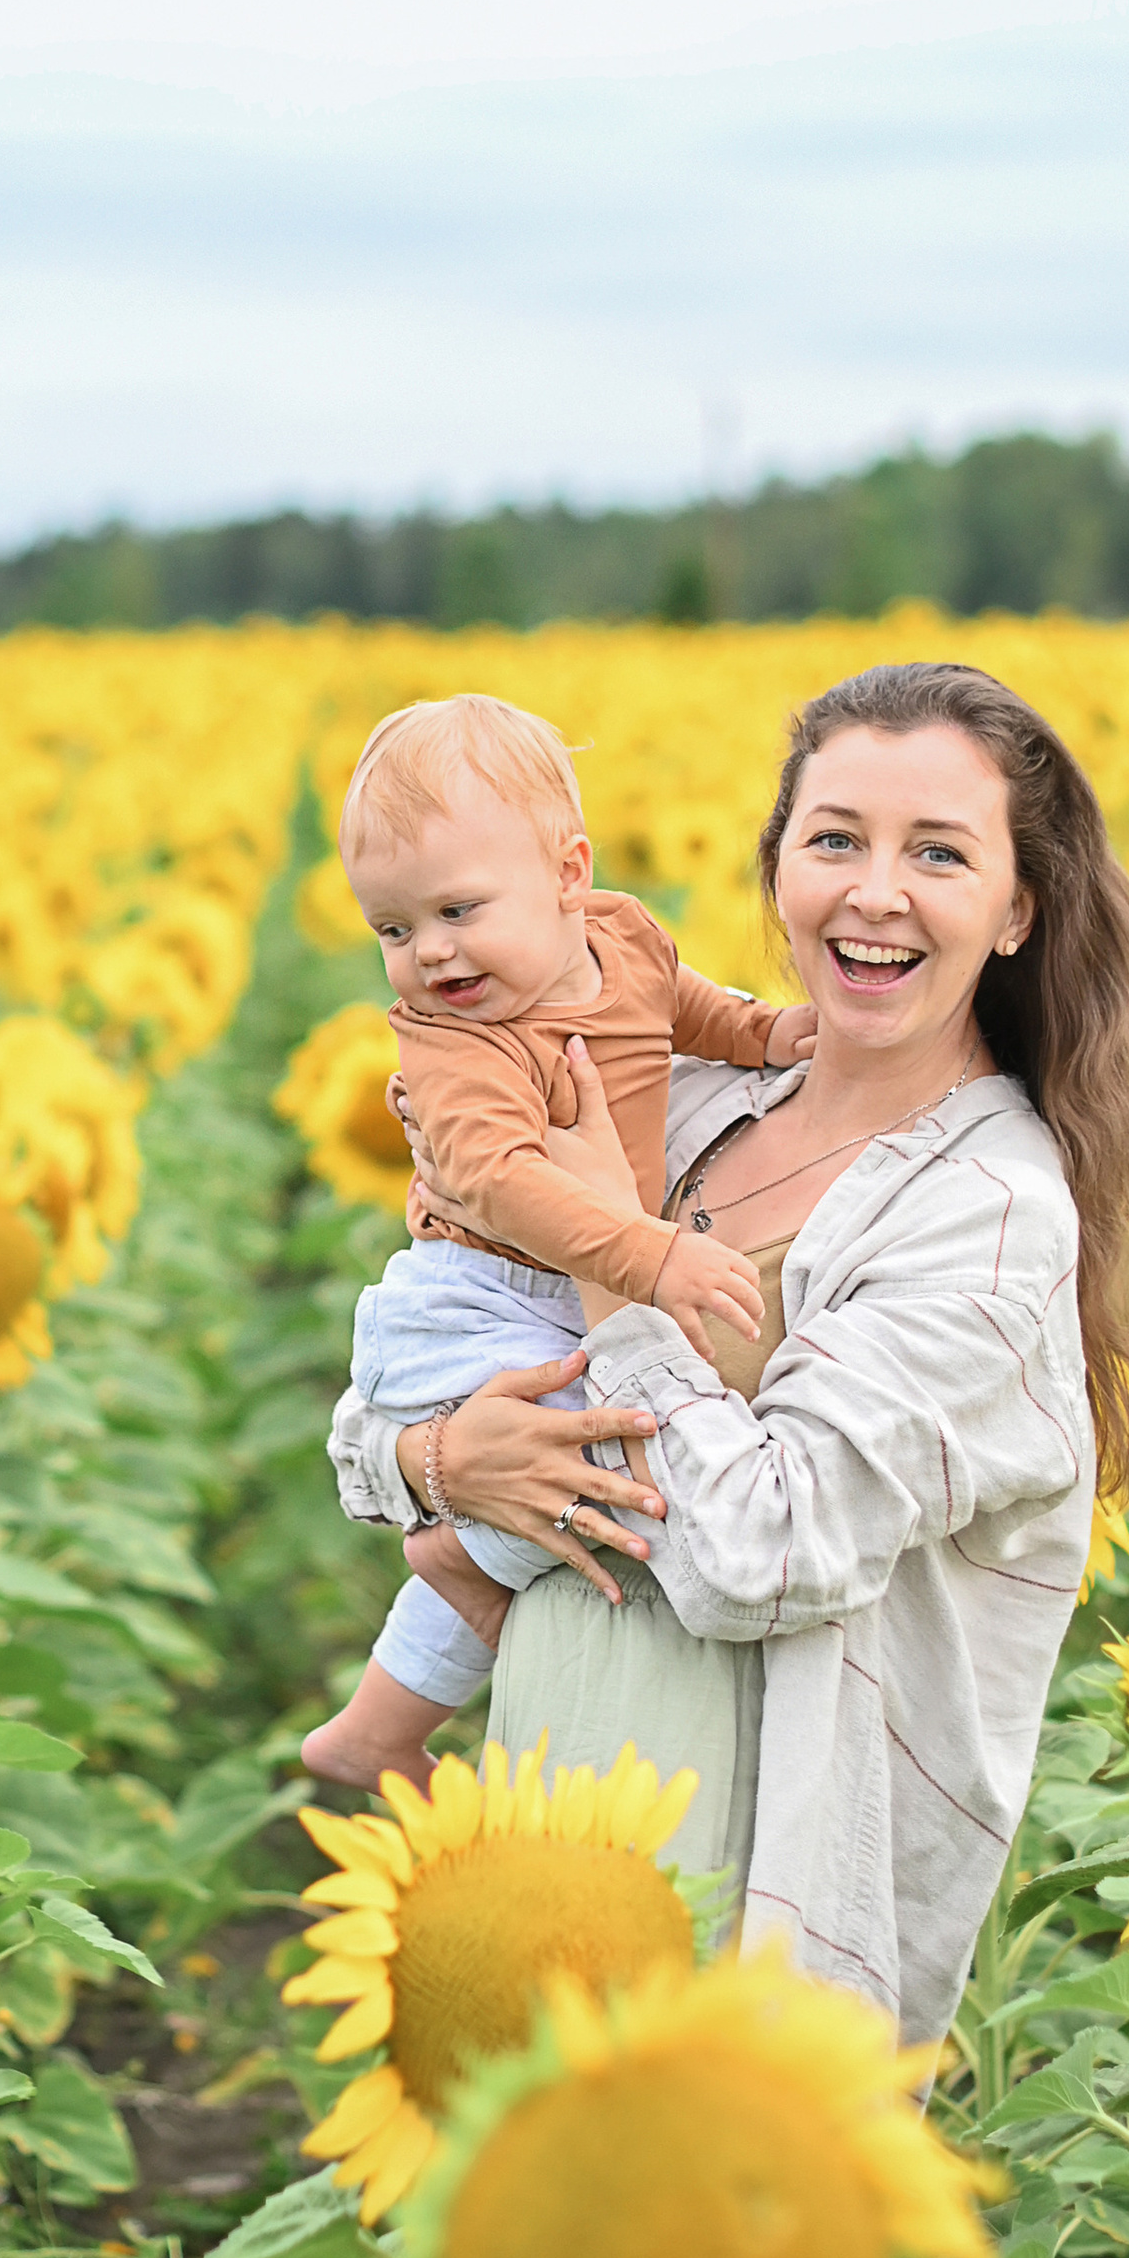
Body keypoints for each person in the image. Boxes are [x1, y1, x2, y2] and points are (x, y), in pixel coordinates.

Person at [326, 658, 1129, 2047]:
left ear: (1017, 907)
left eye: (939, 853)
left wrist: (616, 1284)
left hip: (753, 1930)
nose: (874, 890)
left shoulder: (984, 1212)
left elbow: (765, 1548)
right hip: (549, 1823)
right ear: (780, 865)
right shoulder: (684, 1098)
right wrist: (435, 1458)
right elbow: (407, 1382)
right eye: (836, 837)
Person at [301, 693, 815, 1790]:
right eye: (392, 929)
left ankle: (455, 1578)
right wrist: (646, 1255)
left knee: (625, 1449)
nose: (430, 953)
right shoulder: (454, 1045)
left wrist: (766, 1032)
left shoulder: (621, 938)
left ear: (570, 876)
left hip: (554, 1287)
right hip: (474, 1293)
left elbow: (681, 1005)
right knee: (614, 1459)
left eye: (457, 909)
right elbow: (498, 1180)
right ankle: (395, 1699)